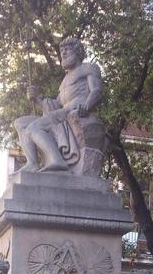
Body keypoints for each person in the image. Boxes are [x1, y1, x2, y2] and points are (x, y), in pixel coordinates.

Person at [14, 36, 103, 173]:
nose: (63, 53)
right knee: (20, 123)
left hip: (72, 112)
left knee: (33, 128)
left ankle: (56, 160)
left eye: (67, 50)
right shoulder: (65, 80)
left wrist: (87, 105)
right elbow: (56, 104)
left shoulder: (88, 68)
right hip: (60, 114)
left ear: (78, 52)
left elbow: (96, 91)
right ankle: (32, 163)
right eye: (62, 51)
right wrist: (36, 99)